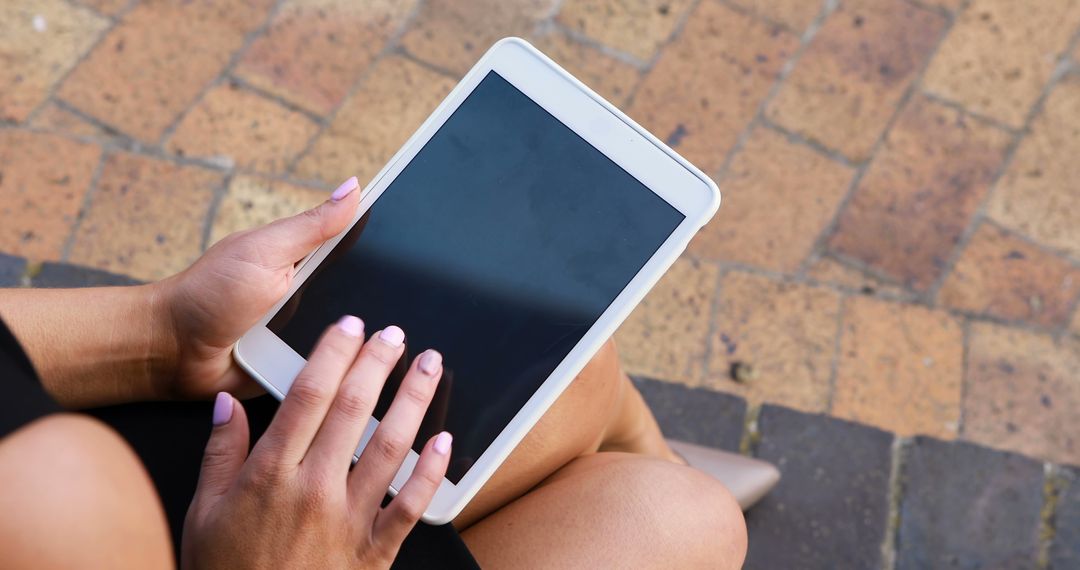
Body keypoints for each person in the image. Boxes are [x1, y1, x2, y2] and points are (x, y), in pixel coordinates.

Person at [0, 177, 752, 568]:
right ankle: (658, 470)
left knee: (571, 378)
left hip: (115, 429)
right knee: (684, 520)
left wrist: (162, 336)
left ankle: (645, 453)